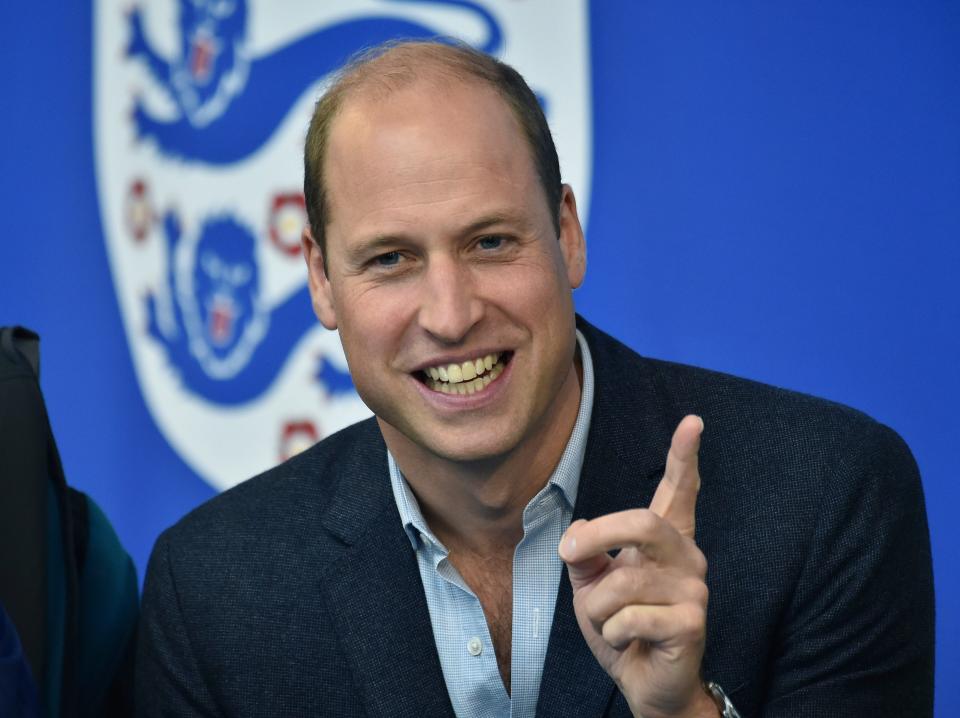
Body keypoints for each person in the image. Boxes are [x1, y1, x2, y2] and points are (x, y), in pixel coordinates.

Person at [135, 41, 934, 717]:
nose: (449, 316)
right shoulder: (212, 591)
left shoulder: (828, 499)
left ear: (567, 235)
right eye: (391, 259)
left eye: (489, 242)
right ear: (319, 279)